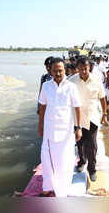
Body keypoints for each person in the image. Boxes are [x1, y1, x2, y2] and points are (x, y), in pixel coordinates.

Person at [37, 58, 82, 197]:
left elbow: (77, 108)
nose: (58, 73)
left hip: (66, 130)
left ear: (65, 70)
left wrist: (78, 127)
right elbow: (42, 107)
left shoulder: (71, 87)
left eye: (61, 70)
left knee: (66, 159)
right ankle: (48, 186)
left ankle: (63, 187)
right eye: (55, 70)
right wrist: (40, 125)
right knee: (46, 158)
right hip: (50, 129)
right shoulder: (46, 86)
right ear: (50, 71)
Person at [69, 57, 107, 182]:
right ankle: (82, 161)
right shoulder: (72, 81)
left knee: (92, 146)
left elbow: (102, 98)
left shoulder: (96, 80)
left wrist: (104, 114)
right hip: (77, 118)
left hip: (92, 117)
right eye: (80, 69)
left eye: (85, 69)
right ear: (77, 69)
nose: (83, 71)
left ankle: (92, 169)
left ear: (89, 67)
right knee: (80, 143)